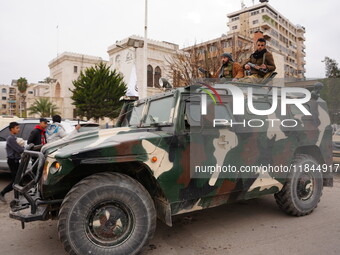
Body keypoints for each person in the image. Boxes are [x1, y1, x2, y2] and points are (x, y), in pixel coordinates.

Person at [0, 122, 24, 203]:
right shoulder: (11, 138)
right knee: (15, 181)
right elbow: (20, 150)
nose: (18, 129)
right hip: (12, 161)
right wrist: (23, 147)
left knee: (19, 179)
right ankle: (2, 193)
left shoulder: (14, 137)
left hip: (16, 160)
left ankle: (19, 197)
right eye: (17, 128)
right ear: (12, 129)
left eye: (18, 128)